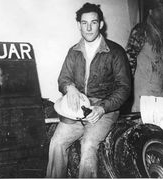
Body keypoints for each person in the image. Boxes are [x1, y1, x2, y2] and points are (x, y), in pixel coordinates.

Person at [46, 2, 131, 178]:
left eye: (93, 22)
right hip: (77, 108)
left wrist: (103, 108)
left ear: (100, 24)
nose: (89, 28)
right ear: (79, 25)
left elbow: (124, 88)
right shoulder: (74, 51)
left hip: (104, 109)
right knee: (56, 142)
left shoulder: (115, 52)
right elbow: (63, 78)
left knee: (89, 144)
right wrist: (70, 88)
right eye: (84, 23)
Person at [126, 0, 163, 112]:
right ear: (151, 12)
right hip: (144, 90)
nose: (162, 14)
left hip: (160, 88)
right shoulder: (141, 30)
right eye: (159, 10)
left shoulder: (162, 33)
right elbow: (129, 58)